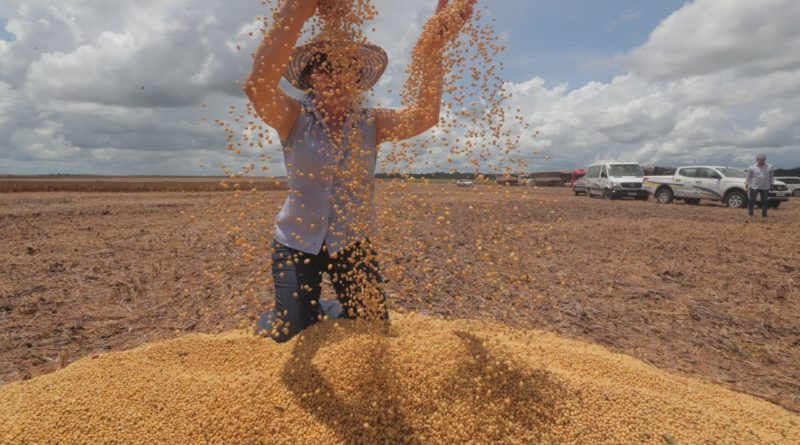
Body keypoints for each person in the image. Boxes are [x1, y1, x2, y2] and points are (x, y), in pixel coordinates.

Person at [245, 0, 476, 342]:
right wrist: (297, 11)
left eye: (348, 66)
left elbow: (425, 115)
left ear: (357, 79)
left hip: (353, 241)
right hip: (296, 241)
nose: (337, 73)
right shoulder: (293, 116)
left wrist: (435, 46)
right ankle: (290, 315)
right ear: (310, 77)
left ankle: (318, 311)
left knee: (373, 333)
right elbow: (258, 87)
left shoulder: (371, 123)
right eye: (325, 65)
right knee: (290, 333)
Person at [745, 154, 775, 219]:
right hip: (754, 186)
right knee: (752, 200)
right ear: (757, 160)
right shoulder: (751, 167)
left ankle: (764, 215)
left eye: (762, 160)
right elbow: (748, 177)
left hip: (765, 187)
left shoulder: (770, 167)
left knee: (764, 201)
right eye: (759, 160)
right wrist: (747, 185)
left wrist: (771, 184)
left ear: (764, 160)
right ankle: (750, 214)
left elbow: (771, 177)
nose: (761, 161)